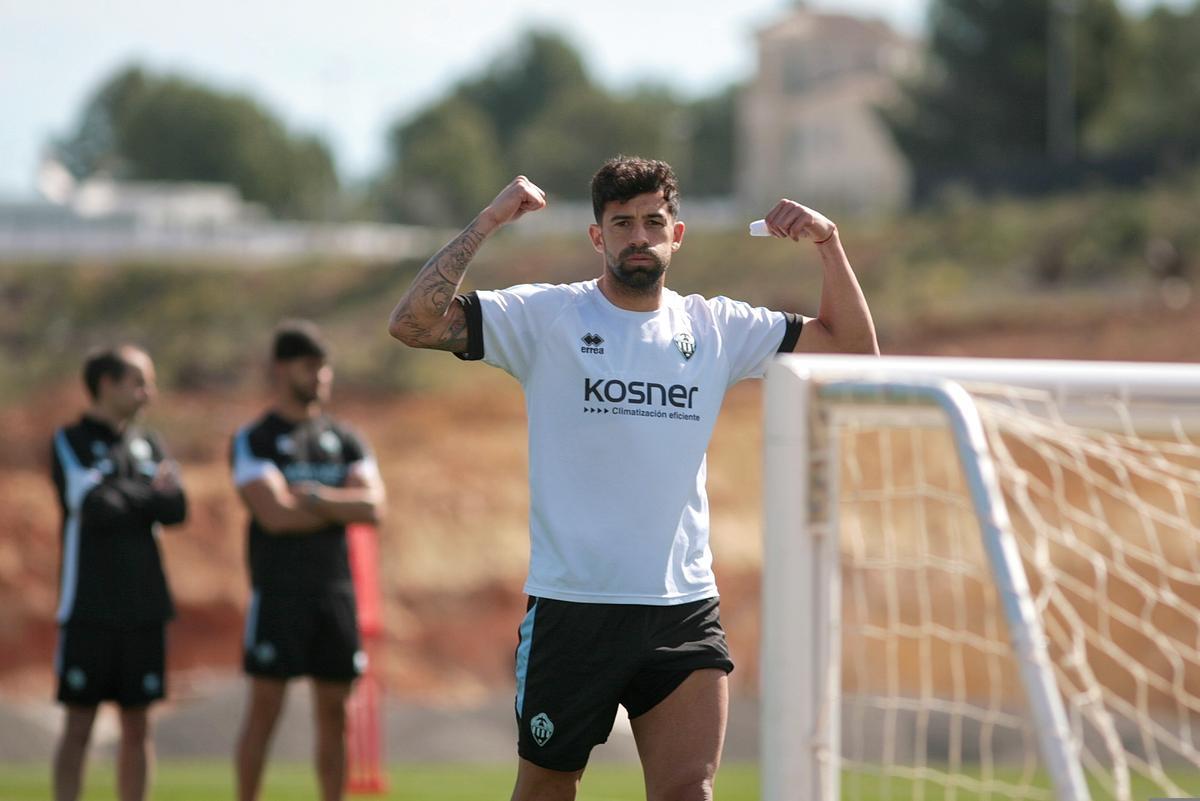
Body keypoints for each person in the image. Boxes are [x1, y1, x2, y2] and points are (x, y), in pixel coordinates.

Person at [387, 156, 878, 800]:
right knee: (544, 791)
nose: (639, 237)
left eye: (653, 221)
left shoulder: (714, 327)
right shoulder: (546, 317)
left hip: (683, 611)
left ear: (677, 234)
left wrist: (828, 243)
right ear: (599, 237)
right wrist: (489, 221)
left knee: (689, 792)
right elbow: (414, 323)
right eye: (622, 223)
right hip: (573, 608)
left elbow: (854, 354)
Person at [230, 320, 386, 801]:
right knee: (265, 710)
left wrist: (313, 496)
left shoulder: (346, 438)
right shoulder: (255, 438)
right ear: (281, 369)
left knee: (335, 713)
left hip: (335, 591)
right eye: (308, 366)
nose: (319, 376)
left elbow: (374, 508)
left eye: (324, 367)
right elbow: (274, 516)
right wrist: (339, 506)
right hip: (278, 590)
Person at [50, 345, 187, 801]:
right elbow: (94, 506)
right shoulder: (70, 440)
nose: (149, 392)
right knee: (79, 724)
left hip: (145, 605)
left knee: (138, 725)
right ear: (106, 384)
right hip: (89, 606)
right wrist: (147, 492)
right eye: (139, 381)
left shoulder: (151, 443)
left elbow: (176, 506)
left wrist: (123, 492)